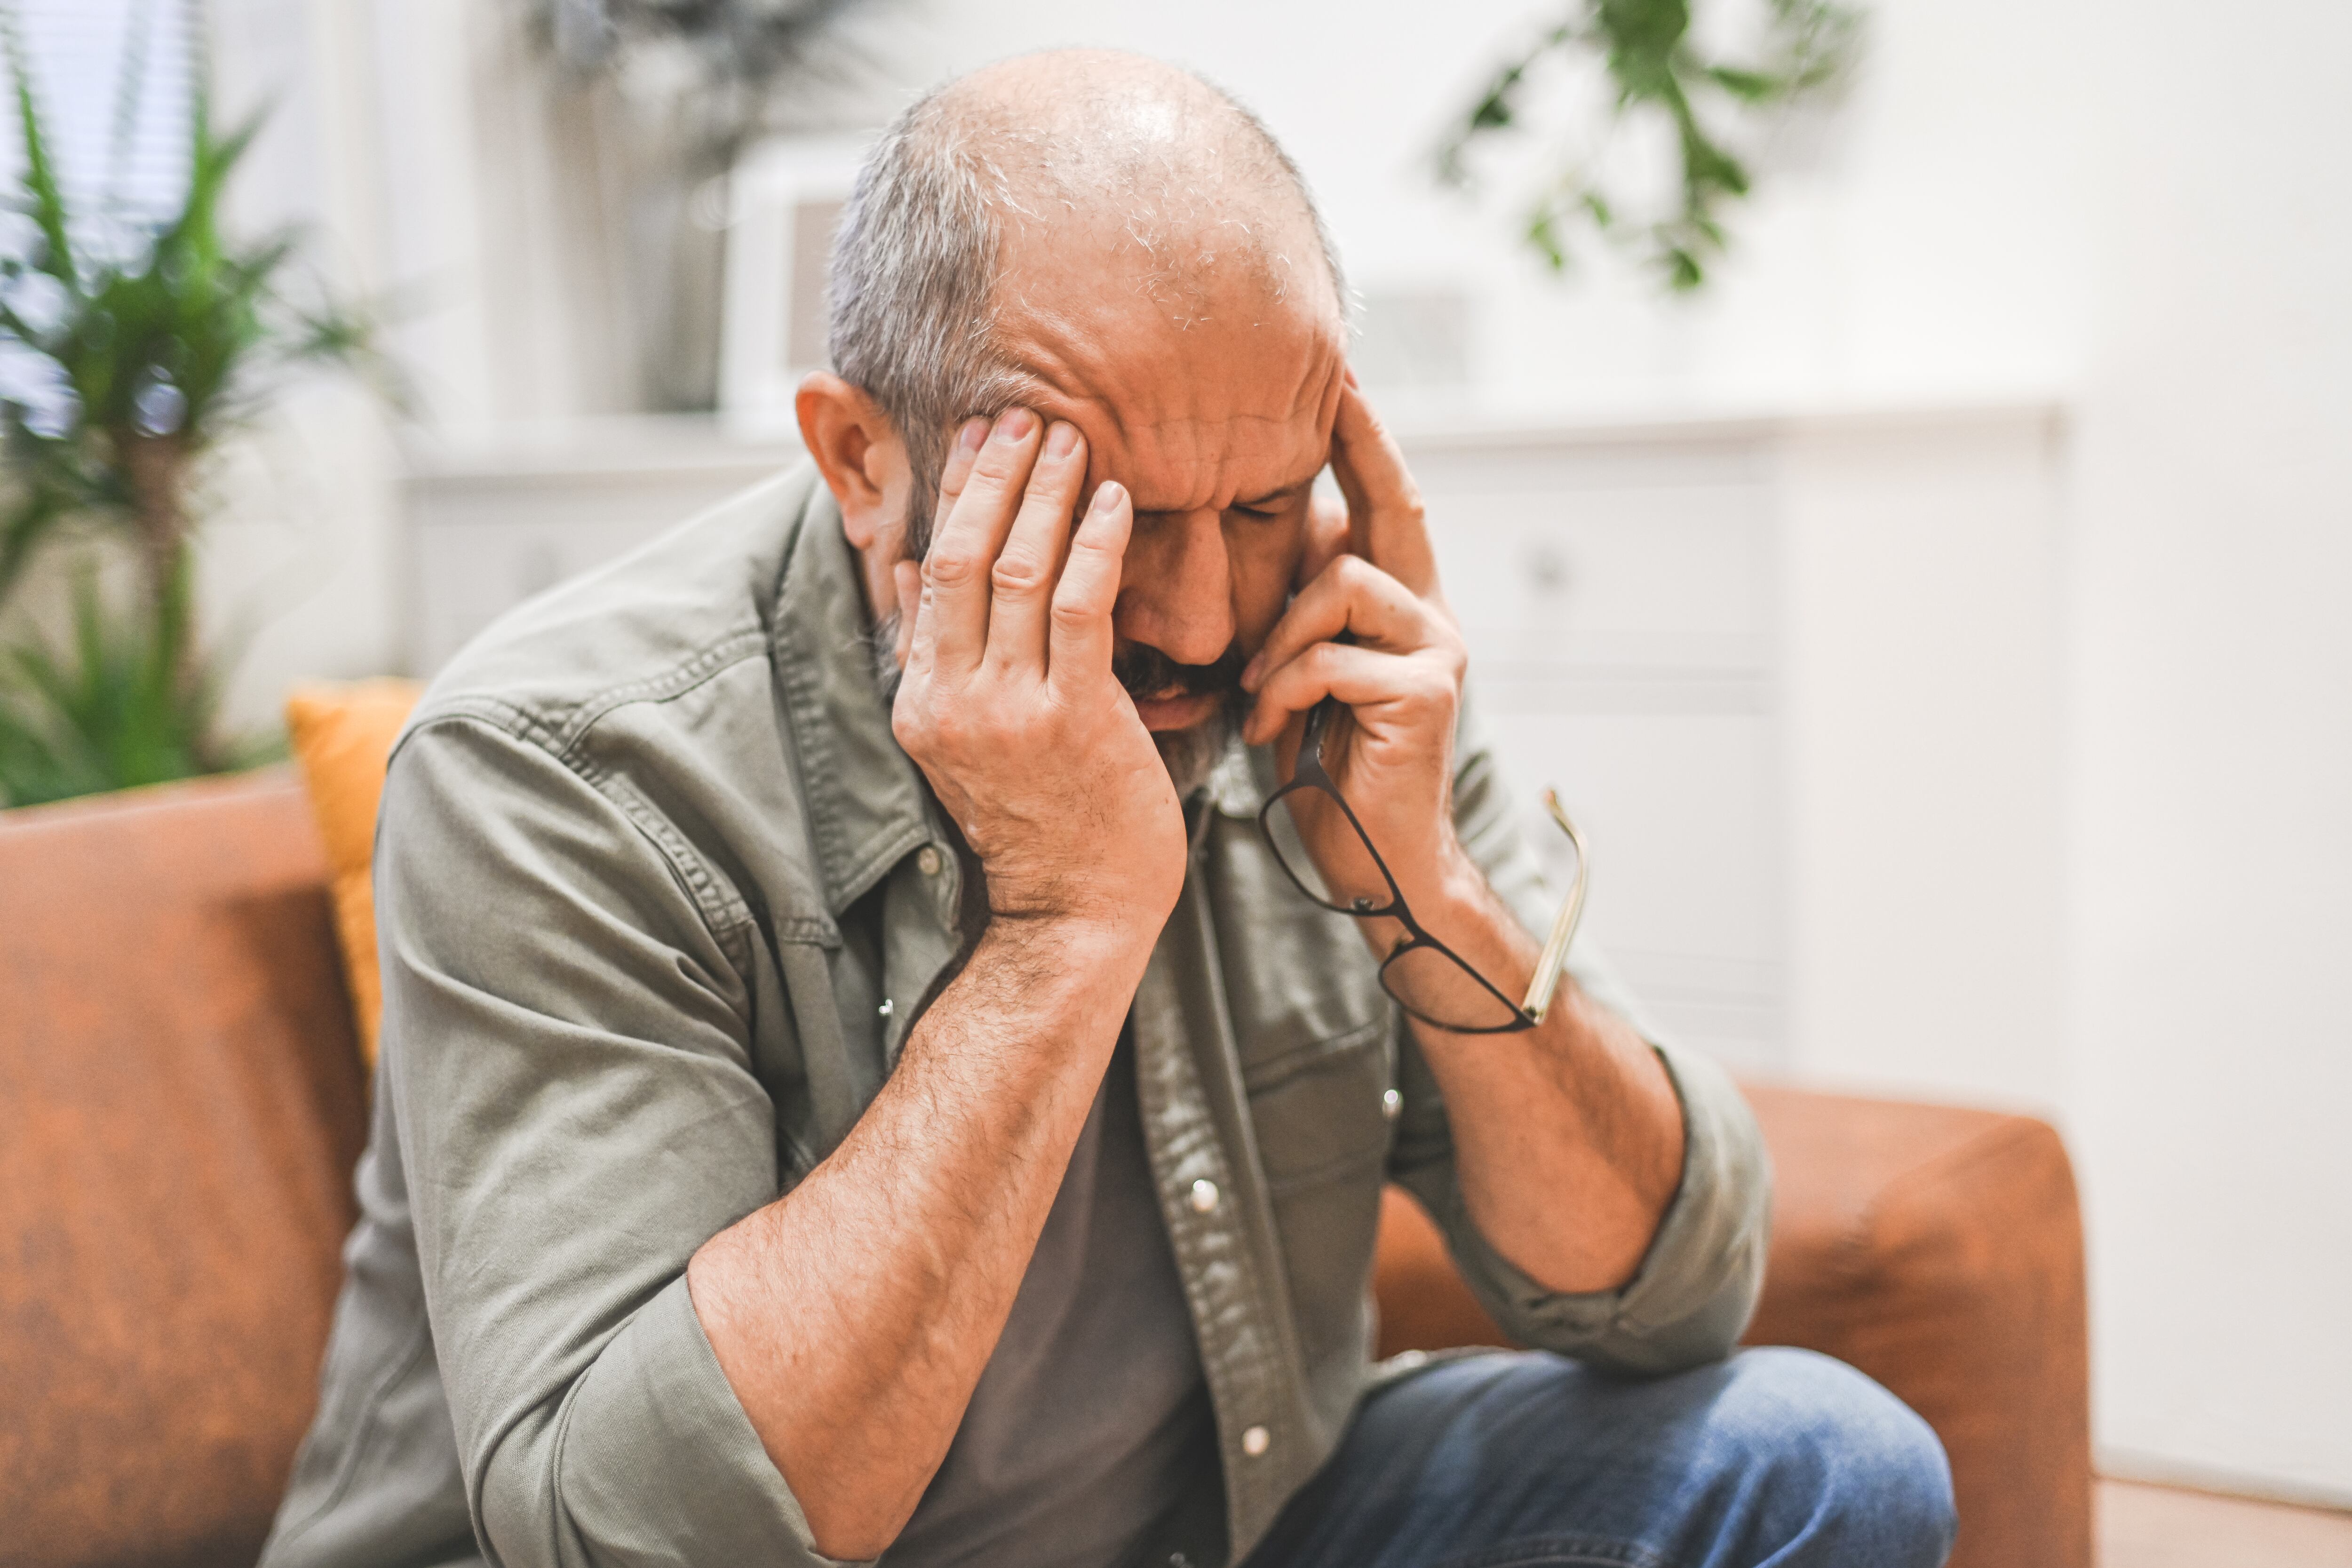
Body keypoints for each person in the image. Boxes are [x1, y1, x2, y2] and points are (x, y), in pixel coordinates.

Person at [261, 48, 1955, 1568]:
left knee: (1818, 1466)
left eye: (1268, 499)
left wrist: (1419, 880)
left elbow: (1664, 1295)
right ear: (863, 462)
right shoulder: (557, 769)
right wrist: (1068, 926)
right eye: (1111, 513)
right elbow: (646, 1536)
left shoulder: (1325, 660)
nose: (1207, 618)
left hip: (1227, 1521)